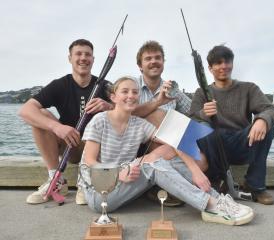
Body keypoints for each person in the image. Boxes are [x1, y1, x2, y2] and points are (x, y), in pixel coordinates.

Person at [79, 76, 254, 226]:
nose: (131, 96)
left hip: (125, 179)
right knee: (153, 165)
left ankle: (218, 200)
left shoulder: (137, 124)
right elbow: (90, 162)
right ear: (113, 97)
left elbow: (174, 142)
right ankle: (210, 206)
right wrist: (118, 174)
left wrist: (195, 172)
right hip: (99, 192)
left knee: (174, 158)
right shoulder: (99, 120)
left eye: (134, 92)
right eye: (125, 92)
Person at [18, 39, 113, 205]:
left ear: (93, 59)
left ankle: (87, 180)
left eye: (88, 54)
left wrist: (110, 106)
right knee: (40, 113)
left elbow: (130, 112)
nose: (83, 58)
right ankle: (56, 179)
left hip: (97, 148)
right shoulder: (60, 85)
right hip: (71, 144)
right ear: (70, 58)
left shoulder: (105, 85)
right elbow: (25, 111)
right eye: (78, 54)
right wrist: (57, 127)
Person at [190, 45, 274, 205]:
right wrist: (204, 114)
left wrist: (262, 120)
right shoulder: (201, 92)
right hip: (215, 147)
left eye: (227, 62)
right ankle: (217, 181)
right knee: (203, 130)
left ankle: (255, 186)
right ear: (210, 68)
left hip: (243, 142)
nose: (224, 66)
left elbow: (271, 109)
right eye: (218, 63)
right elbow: (190, 119)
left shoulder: (249, 88)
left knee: (268, 126)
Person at [133, 40, 192, 206]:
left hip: (167, 145)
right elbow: (124, 114)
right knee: (158, 115)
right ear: (140, 66)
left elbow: (194, 112)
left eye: (158, 57)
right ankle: (166, 186)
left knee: (200, 156)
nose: (154, 61)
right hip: (138, 146)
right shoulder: (132, 87)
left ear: (163, 63)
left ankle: (165, 186)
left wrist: (208, 109)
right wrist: (157, 103)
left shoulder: (171, 89)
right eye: (148, 58)